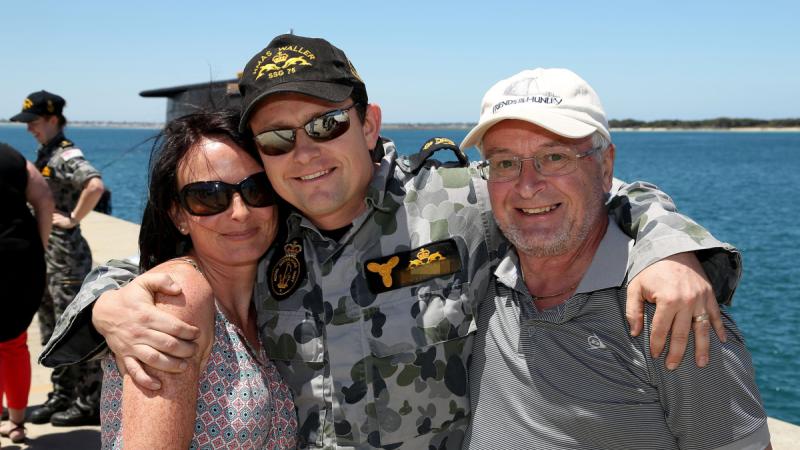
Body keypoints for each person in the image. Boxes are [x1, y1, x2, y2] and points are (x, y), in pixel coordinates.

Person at [42, 34, 736, 449]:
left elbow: (586, 198)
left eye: (325, 125)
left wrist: (670, 250)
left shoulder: (463, 205)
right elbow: (166, 263)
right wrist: (110, 301)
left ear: (368, 122)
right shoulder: (265, 224)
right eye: (277, 140)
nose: (305, 153)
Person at [462, 68, 769, 449]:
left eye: (554, 157)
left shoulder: (671, 317)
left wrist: (672, 249)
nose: (527, 185)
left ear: (605, 167)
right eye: (505, 163)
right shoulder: (477, 271)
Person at [99, 110, 297, 448]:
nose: (239, 212)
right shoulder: (179, 296)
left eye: (257, 189)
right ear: (178, 215)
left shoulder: (265, 303)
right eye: (208, 196)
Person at [9, 90, 106, 426]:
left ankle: (88, 400)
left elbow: (93, 184)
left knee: (73, 326)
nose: (29, 129)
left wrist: (74, 218)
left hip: (66, 257)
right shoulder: (46, 154)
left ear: (52, 119)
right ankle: (62, 395)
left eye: (33, 122)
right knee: (52, 328)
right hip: (50, 257)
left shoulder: (65, 155)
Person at [0, 142, 54, 444]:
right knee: (13, 342)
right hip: (20, 257)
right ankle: (17, 423)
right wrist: (40, 248)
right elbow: (44, 201)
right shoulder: (11, 156)